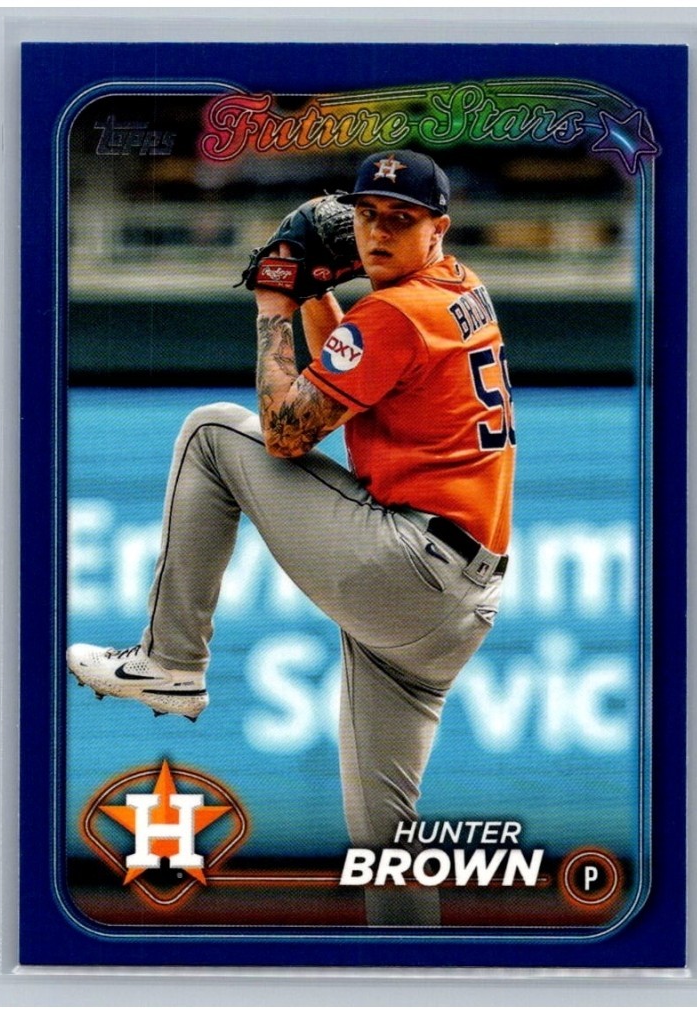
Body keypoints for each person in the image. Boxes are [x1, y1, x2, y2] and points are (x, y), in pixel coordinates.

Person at [67, 149, 516, 925]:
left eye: (401, 219)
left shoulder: (397, 314)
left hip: (411, 567)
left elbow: (285, 432)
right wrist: (313, 293)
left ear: (438, 228)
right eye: (368, 214)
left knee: (212, 432)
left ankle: (172, 663)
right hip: (457, 601)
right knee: (388, 841)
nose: (378, 232)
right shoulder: (459, 288)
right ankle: (417, 975)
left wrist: (275, 301)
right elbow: (347, 381)